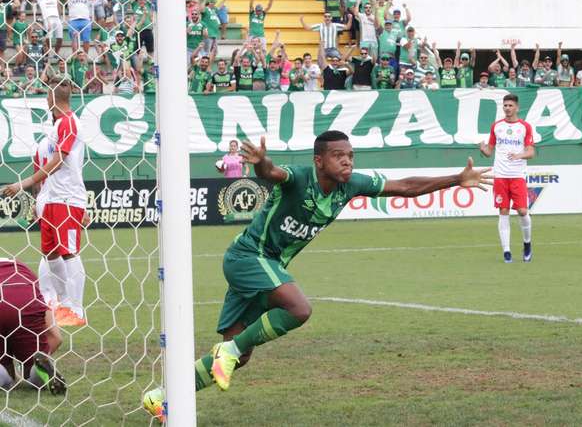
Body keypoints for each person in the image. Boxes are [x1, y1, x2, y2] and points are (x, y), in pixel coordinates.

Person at [142, 131, 492, 420]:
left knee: (238, 356)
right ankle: (228, 350)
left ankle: (161, 397)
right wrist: (262, 162)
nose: (348, 162)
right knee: (299, 309)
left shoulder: (352, 184)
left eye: (351, 156)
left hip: (267, 266)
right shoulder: (300, 177)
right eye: (340, 155)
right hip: (249, 257)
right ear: (319, 160)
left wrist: (456, 179)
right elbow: (272, 173)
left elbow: (404, 185)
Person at [1, 81, 88, 327]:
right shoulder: (55, 129)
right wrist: (36, 202)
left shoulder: (70, 122)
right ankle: (58, 301)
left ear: (51, 98)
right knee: (50, 253)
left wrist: (22, 184)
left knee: (68, 251)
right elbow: (47, 167)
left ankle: (76, 309)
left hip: (66, 198)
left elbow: (61, 162)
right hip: (49, 200)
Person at [478, 94, 535, 263]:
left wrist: (519, 155)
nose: (507, 108)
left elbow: (531, 152)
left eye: (510, 105)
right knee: (503, 212)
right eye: (505, 105)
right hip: (501, 176)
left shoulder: (525, 127)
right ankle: (507, 251)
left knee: (522, 211)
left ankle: (527, 244)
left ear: (517, 108)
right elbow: (489, 151)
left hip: (517, 176)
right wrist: (482, 149)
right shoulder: (496, 126)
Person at [0, 258, 65, 395]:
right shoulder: (21, 268)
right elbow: (57, 338)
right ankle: (40, 371)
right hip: (27, 300)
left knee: (7, 376)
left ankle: (4, 376)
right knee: (32, 370)